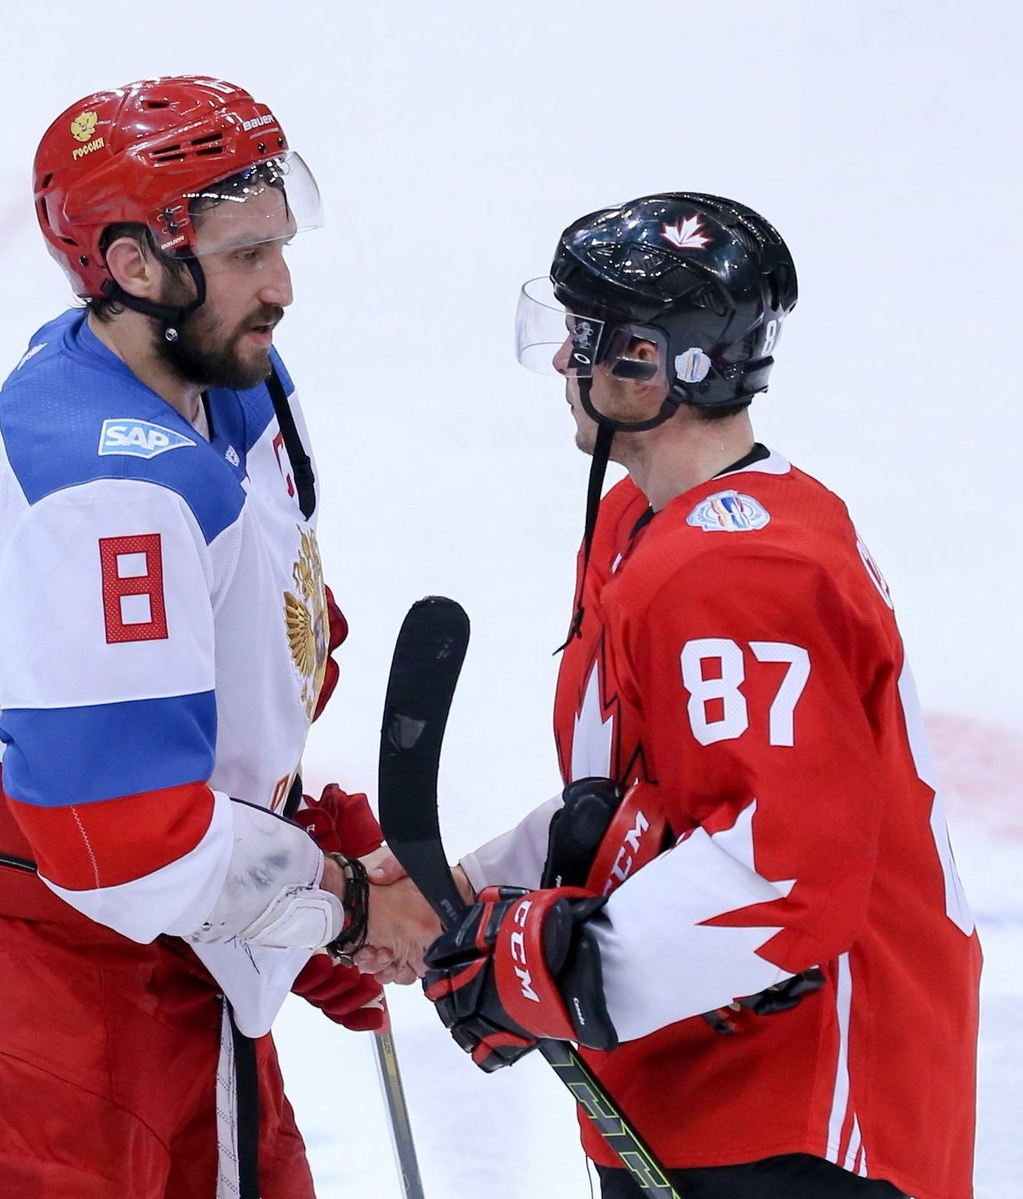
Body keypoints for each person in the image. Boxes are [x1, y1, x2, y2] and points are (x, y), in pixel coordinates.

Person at [0, 74, 431, 1199]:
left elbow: (249, 652)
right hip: (28, 994)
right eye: (242, 256)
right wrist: (326, 896)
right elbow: (111, 833)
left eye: (279, 244)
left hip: (175, 935)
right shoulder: (106, 490)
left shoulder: (230, 374)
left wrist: (296, 845)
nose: (281, 286)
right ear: (133, 266)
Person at [418, 194, 982, 1199]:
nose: (560, 360)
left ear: (648, 364)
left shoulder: (738, 567)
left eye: (584, 336)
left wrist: (560, 966)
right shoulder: (648, 519)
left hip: (804, 1113)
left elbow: (786, 869)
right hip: (708, 1072)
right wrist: (459, 892)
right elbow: (652, 790)